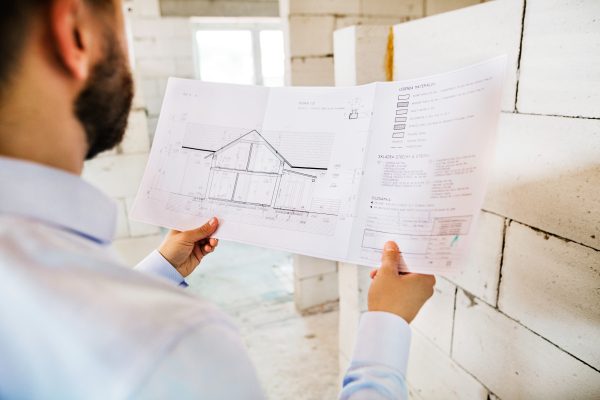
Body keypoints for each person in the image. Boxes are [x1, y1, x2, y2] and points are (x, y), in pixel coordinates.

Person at [0, 0, 436, 398]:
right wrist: (387, 322)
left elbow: (75, 328)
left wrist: (159, 270)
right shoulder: (175, 347)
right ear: (77, 33)